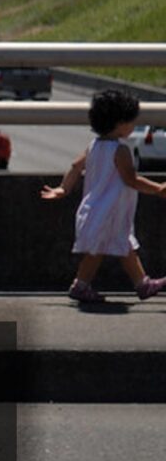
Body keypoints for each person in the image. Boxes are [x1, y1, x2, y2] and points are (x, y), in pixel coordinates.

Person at [41, 89, 166, 303]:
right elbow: (131, 180)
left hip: (99, 209)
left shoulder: (93, 146)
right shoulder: (121, 151)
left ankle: (142, 283)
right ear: (119, 123)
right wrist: (159, 189)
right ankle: (80, 285)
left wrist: (63, 188)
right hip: (107, 210)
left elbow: (75, 166)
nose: (134, 126)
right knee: (97, 251)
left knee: (124, 245)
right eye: (131, 122)